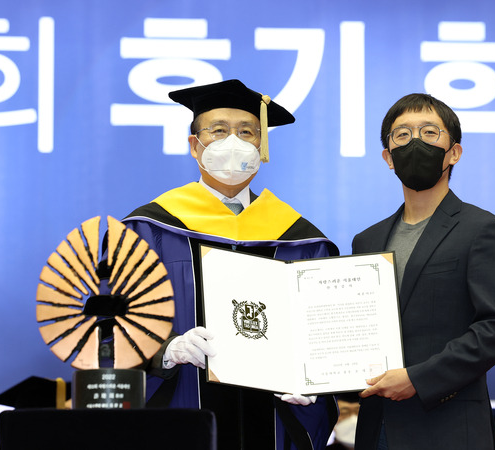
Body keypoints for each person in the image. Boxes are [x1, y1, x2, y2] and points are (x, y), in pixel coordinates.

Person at [121, 79, 339, 450]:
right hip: (180, 418)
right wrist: (167, 352)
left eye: (246, 132)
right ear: (195, 145)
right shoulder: (150, 230)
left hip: (272, 423)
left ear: (261, 146)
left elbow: (327, 338)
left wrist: (315, 382)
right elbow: (113, 325)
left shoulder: (301, 240)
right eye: (218, 131)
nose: (233, 142)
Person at [351, 93, 495, 450]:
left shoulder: (482, 229)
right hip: (375, 428)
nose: (415, 142)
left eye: (429, 133)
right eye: (402, 135)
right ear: (388, 157)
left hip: (448, 427)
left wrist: (418, 378)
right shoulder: (367, 240)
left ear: (454, 152)